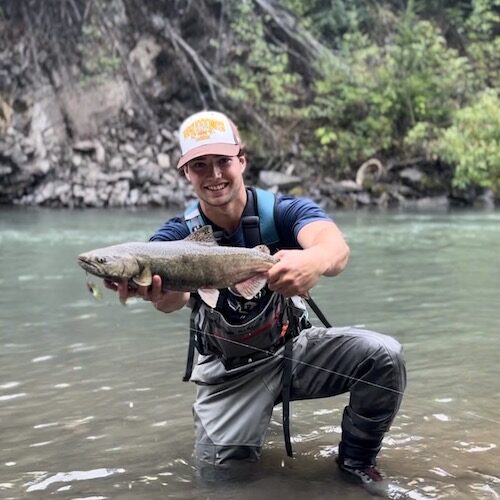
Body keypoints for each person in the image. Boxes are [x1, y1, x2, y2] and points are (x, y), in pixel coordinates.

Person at [105, 111, 406, 497]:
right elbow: (173, 301)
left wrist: (312, 262)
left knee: (383, 356)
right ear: (186, 173)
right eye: (200, 166)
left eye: (222, 162)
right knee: (223, 484)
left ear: (241, 161)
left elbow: (336, 249)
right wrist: (156, 294)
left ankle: (356, 466)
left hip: (294, 351)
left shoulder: (282, 212)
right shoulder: (172, 238)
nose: (214, 174)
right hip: (227, 375)